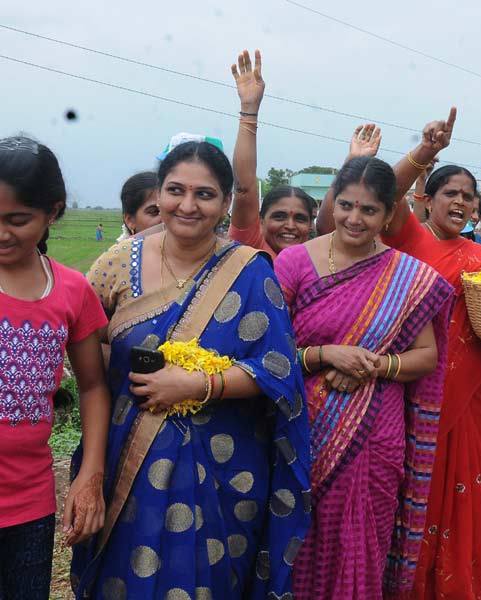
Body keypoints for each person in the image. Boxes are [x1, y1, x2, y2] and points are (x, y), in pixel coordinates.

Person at [71, 140, 311, 598]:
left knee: (210, 580)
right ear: (158, 194)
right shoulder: (118, 262)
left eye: (204, 194)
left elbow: (278, 369)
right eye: (175, 190)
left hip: (225, 469)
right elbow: (84, 352)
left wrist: (198, 384)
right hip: (129, 462)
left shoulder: (250, 270)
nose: (187, 205)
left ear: (224, 203)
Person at [317, 108, 481, 599]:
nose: (460, 201)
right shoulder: (409, 240)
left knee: (476, 492)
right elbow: (378, 194)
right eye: (450, 193)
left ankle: (465, 585)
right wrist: (426, 152)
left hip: (472, 397)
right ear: (425, 200)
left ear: (478, 208)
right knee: (412, 493)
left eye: (468, 197)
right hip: (409, 390)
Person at [274, 156, 454, 598]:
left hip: (376, 432)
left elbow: (427, 357)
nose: (355, 218)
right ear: (332, 203)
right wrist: (324, 355)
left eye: (369, 210)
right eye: (346, 206)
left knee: (363, 536)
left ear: (390, 214)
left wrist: (374, 365)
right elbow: (267, 352)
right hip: (300, 426)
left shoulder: (408, 276)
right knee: (295, 536)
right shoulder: (295, 263)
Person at [0, 136, 110, 598]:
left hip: (30, 500)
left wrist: (89, 474)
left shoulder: (72, 291)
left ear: (52, 213)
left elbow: (94, 385)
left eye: (16, 220)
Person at [228, 49, 318, 257]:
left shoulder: (317, 262)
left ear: (312, 225)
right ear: (259, 221)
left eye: (300, 218)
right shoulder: (250, 246)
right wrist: (249, 110)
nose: (290, 226)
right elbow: (244, 188)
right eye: (279, 216)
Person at [118, 171, 161, 239]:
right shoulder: (121, 249)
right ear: (130, 220)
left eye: (171, 212)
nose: (166, 219)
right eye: (154, 212)